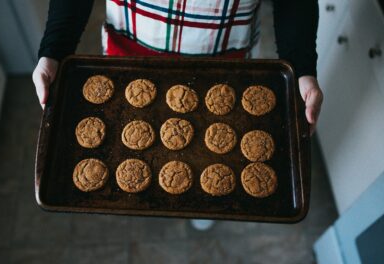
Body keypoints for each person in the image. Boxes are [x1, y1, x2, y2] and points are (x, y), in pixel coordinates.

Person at [33, 0, 323, 230]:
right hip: (129, 61)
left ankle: (201, 207)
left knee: (208, 173)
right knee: (130, 150)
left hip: (225, 69)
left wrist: (302, 66)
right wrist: (54, 50)